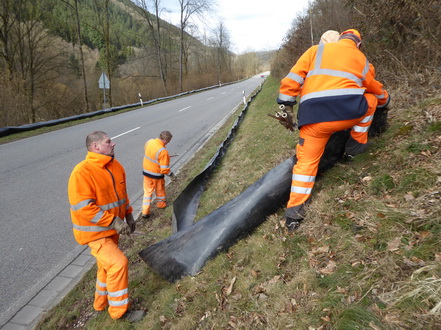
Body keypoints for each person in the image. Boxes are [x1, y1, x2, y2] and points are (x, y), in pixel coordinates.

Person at [277, 29, 390, 231]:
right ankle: (355, 146)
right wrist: (385, 99)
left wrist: (286, 104)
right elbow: (373, 88)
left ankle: (293, 214)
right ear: (358, 44)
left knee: (306, 164)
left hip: (313, 120)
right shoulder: (360, 59)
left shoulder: (314, 52)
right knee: (371, 101)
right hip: (347, 115)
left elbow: (293, 77)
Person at [68, 131, 140, 320]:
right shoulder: (82, 172)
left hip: (111, 230)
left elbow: (122, 196)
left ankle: (100, 304)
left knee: (105, 267)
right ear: (96, 147)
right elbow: (84, 208)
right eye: (108, 142)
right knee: (118, 264)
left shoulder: (116, 166)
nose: (113, 144)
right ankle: (119, 313)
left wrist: (129, 215)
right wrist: (114, 221)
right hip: (95, 234)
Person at [142, 130, 174, 219]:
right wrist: (171, 174)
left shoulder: (150, 142)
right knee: (160, 191)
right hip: (156, 175)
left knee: (147, 193)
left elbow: (149, 152)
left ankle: (145, 212)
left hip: (146, 173)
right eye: (168, 141)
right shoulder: (163, 151)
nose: (167, 143)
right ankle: (161, 204)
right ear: (164, 140)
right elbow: (164, 170)